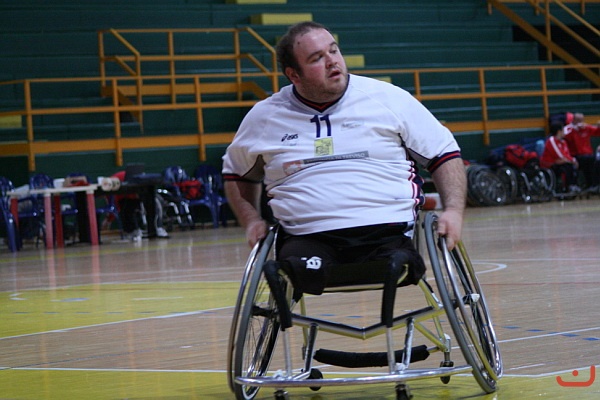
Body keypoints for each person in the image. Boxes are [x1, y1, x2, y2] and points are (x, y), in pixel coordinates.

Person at [222, 21, 466, 294]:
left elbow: (444, 153)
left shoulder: (389, 99)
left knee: (396, 263)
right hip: (307, 239)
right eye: (317, 58)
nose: (332, 62)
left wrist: (454, 211)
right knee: (283, 271)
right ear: (294, 75)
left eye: (334, 50)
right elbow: (236, 173)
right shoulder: (264, 116)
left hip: (387, 234)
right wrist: (251, 221)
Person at [109, 171, 169, 241]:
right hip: (126, 197)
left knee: (155, 201)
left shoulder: (135, 179)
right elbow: (114, 205)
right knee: (127, 208)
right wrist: (109, 219)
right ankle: (133, 231)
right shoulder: (113, 188)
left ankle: (157, 228)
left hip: (133, 192)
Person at [563, 112, 600, 191]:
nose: (580, 122)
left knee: (595, 160)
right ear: (574, 120)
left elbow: (597, 132)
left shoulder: (586, 128)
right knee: (588, 160)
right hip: (575, 155)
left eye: (582, 120)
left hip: (588, 154)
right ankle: (589, 184)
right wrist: (575, 129)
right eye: (578, 120)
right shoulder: (568, 128)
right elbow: (564, 136)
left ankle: (594, 185)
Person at [540, 123, 580, 194]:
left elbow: (567, 155)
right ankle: (569, 186)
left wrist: (573, 160)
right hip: (550, 164)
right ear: (559, 131)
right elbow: (559, 155)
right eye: (563, 130)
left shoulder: (563, 142)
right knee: (566, 166)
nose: (564, 132)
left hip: (561, 163)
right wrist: (569, 160)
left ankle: (572, 185)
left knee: (570, 165)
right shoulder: (551, 140)